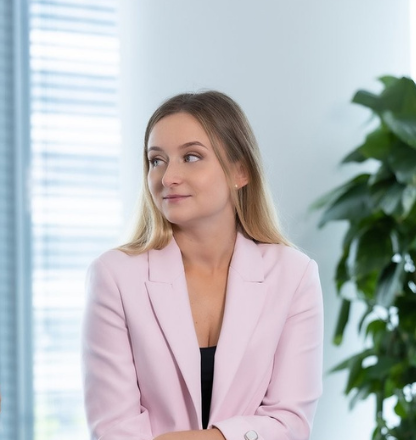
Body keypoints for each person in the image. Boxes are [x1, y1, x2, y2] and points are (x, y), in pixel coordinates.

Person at [83, 91, 323, 440]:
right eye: (156, 160)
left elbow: (291, 424)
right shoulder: (113, 276)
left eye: (191, 157)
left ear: (240, 171)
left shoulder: (294, 275)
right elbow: (113, 429)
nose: (167, 178)